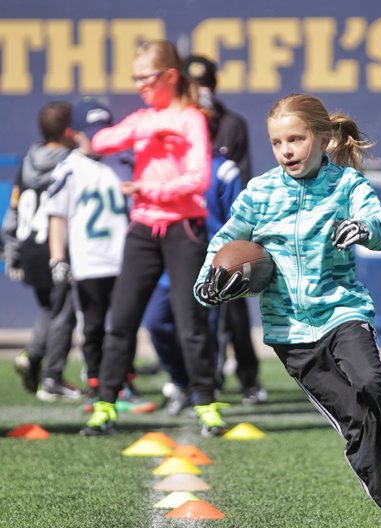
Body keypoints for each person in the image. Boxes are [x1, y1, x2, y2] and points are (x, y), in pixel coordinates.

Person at [194, 93, 381, 528]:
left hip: (343, 314)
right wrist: (207, 282)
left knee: (371, 380)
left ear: (322, 139)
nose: (286, 150)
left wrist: (364, 229)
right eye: (277, 142)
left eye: (296, 139)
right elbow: (224, 243)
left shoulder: (346, 184)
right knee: (358, 426)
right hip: (291, 337)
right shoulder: (260, 193)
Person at [80, 39, 224, 437]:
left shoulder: (192, 119)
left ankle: (206, 403)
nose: (140, 85)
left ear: (170, 77)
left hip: (184, 229)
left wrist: (149, 186)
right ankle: (105, 404)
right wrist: (152, 125)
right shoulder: (145, 118)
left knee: (190, 321)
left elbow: (198, 179)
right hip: (143, 230)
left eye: (147, 78)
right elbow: (100, 142)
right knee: (121, 319)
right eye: (136, 78)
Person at [45, 97, 156, 415]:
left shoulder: (121, 163)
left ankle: (125, 383)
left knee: (124, 325)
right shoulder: (69, 169)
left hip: (124, 259)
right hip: (89, 261)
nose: (97, 139)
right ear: (73, 133)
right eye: (89, 132)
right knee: (92, 327)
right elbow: (58, 217)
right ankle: (96, 385)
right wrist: (58, 258)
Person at [183, 54, 266, 404]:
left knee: (233, 309)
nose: (202, 91)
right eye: (194, 85)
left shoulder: (232, 123)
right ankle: (198, 380)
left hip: (224, 231)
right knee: (191, 312)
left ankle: (249, 378)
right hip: (187, 233)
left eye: (207, 84)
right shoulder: (178, 123)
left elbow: (242, 180)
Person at [143, 149, 244, 415]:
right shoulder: (169, 165)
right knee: (156, 321)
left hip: (209, 265)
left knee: (205, 330)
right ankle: (180, 381)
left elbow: (239, 220)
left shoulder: (223, 170)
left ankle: (207, 389)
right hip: (173, 261)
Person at [2, 101, 81, 402]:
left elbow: (13, 205)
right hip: (55, 246)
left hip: (28, 245)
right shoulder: (71, 163)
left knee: (50, 308)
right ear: (68, 131)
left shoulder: (28, 159)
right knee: (64, 313)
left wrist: (11, 247)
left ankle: (32, 356)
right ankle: (53, 377)